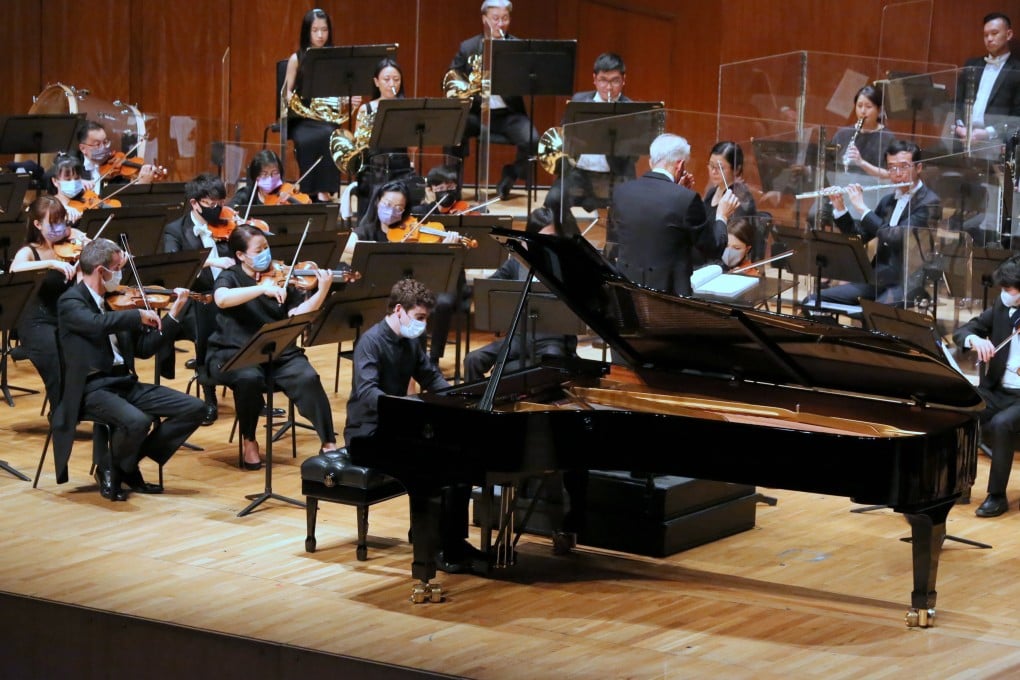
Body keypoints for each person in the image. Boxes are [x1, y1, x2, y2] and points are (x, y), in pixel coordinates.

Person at [343, 278, 482, 573]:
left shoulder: (411, 341)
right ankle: (431, 545)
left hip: (398, 426)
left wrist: (452, 402)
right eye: (419, 318)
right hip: (367, 432)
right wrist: (405, 409)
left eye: (425, 319)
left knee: (463, 461)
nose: (423, 324)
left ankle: (452, 541)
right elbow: (368, 394)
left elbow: (430, 377)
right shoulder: (370, 342)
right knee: (431, 466)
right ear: (398, 310)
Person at [51, 238, 206, 500]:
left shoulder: (118, 301)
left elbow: (144, 348)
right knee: (138, 421)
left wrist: (174, 314)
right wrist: (136, 315)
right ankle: (120, 467)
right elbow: (94, 324)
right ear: (102, 271)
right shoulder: (70, 302)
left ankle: (120, 464)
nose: (121, 274)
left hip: (124, 383)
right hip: (91, 388)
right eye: (118, 267)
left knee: (195, 408)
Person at [205, 224, 339, 470]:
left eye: (267, 247)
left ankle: (328, 442)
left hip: (278, 352)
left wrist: (321, 292)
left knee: (306, 376)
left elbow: (298, 313)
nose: (266, 253)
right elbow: (221, 299)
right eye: (259, 250)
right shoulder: (231, 276)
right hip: (233, 352)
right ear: (241, 255)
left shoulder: (283, 276)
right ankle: (249, 440)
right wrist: (261, 289)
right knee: (248, 378)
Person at [815, 140, 941, 308]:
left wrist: (862, 208)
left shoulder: (929, 203)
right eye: (891, 167)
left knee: (874, 314)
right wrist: (840, 209)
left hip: (908, 283)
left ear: (918, 168)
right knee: (815, 299)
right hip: (878, 279)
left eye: (904, 167)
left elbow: (897, 238)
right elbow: (860, 238)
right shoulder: (888, 200)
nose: (897, 173)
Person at [463, 207, 578, 382]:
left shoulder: (565, 266)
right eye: (541, 238)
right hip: (519, 337)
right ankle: (475, 404)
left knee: (551, 364)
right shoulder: (516, 263)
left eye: (552, 238)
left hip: (552, 339)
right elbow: (488, 289)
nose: (546, 243)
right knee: (473, 360)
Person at [163, 173, 238, 425]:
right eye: (211, 204)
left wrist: (245, 232)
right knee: (205, 319)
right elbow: (175, 265)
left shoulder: (228, 223)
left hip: (229, 292)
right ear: (195, 203)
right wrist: (212, 260)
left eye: (221, 203)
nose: (218, 209)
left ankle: (250, 393)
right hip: (197, 298)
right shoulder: (175, 230)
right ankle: (209, 396)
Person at [445, 0, 539, 200]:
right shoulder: (469, 47)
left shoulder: (518, 48)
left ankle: (511, 174)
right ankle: (453, 186)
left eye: (505, 19)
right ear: (484, 19)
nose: (500, 24)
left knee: (533, 140)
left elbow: (531, 81)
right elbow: (452, 78)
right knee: (452, 129)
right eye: (495, 19)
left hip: (509, 115)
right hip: (476, 113)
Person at [952, 254, 1020, 517]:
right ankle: (960, 485)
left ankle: (997, 495)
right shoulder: (1003, 308)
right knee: (962, 406)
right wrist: (973, 340)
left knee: (1003, 424)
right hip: (997, 390)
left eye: (1009, 289)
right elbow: (965, 330)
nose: (1004, 294)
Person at [543, 52, 635, 236]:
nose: (608, 87)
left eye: (615, 81)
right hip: (579, 173)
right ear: (594, 79)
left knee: (627, 208)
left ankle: (612, 257)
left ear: (624, 80)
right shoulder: (579, 101)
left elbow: (633, 154)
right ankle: (577, 244)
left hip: (614, 175)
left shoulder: (631, 109)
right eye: (603, 80)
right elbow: (563, 133)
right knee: (553, 200)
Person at [607, 132, 709, 297]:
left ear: (650, 162)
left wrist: (678, 190)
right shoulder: (686, 198)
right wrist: (722, 217)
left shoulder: (622, 192)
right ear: (680, 165)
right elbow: (710, 248)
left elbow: (614, 240)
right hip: (669, 298)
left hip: (627, 291)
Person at [9, 196, 88, 407]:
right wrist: (51, 263)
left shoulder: (71, 245)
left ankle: (88, 405)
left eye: (62, 221)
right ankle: (62, 413)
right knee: (55, 361)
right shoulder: (29, 251)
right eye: (52, 223)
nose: (59, 228)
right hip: (36, 322)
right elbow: (14, 269)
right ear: (37, 224)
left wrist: (84, 241)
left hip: (65, 317)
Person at [283, 8, 360, 202]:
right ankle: (310, 191)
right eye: (315, 30)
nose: (320, 35)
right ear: (307, 32)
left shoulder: (336, 60)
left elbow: (341, 92)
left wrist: (350, 100)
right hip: (302, 119)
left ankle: (325, 192)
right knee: (309, 139)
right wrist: (294, 101)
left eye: (324, 30)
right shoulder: (297, 59)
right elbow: (286, 91)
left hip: (327, 118)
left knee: (330, 135)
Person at [351, 57, 415, 217]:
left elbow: (413, 148)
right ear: (376, 82)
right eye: (386, 79)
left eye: (396, 79)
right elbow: (358, 145)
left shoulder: (407, 108)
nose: (392, 84)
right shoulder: (366, 109)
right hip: (373, 167)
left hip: (399, 166)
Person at [952, 12, 1020, 146]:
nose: (989, 38)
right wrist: (960, 127)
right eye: (985, 35)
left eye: (994, 33)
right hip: (963, 138)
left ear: (1008, 35)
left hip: (997, 142)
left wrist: (987, 133)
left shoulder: (1017, 70)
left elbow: (1017, 114)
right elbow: (957, 101)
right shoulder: (972, 65)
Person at [697, 141, 756, 268]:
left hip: (723, 264)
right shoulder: (712, 192)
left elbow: (735, 242)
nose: (713, 171)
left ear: (737, 169)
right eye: (711, 165)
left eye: (720, 168)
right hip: (706, 259)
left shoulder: (739, 197)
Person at [831, 84, 897, 182]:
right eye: (859, 106)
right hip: (845, 189)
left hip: (874, 192)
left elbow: (891, 174)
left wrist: (861, 163)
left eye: (868, 106)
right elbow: (830, 166)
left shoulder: (888, 138)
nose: (863, 111)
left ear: (879, 110)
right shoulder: (842, 134)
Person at [75, 120, 157, 195]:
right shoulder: (73, 164)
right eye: (98, 144)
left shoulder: (115, 172)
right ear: (83, 148)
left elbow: (124, 196)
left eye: (105, 142)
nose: (103, 147)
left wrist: (141, 184)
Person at [230, 149, 312, 210]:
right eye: (264, 174)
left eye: (274, 173)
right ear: (256, 176)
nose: (270, 178)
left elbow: (308, 211)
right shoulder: (247, 193)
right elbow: (229, 209)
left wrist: (291, 200)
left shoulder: (287, 190)